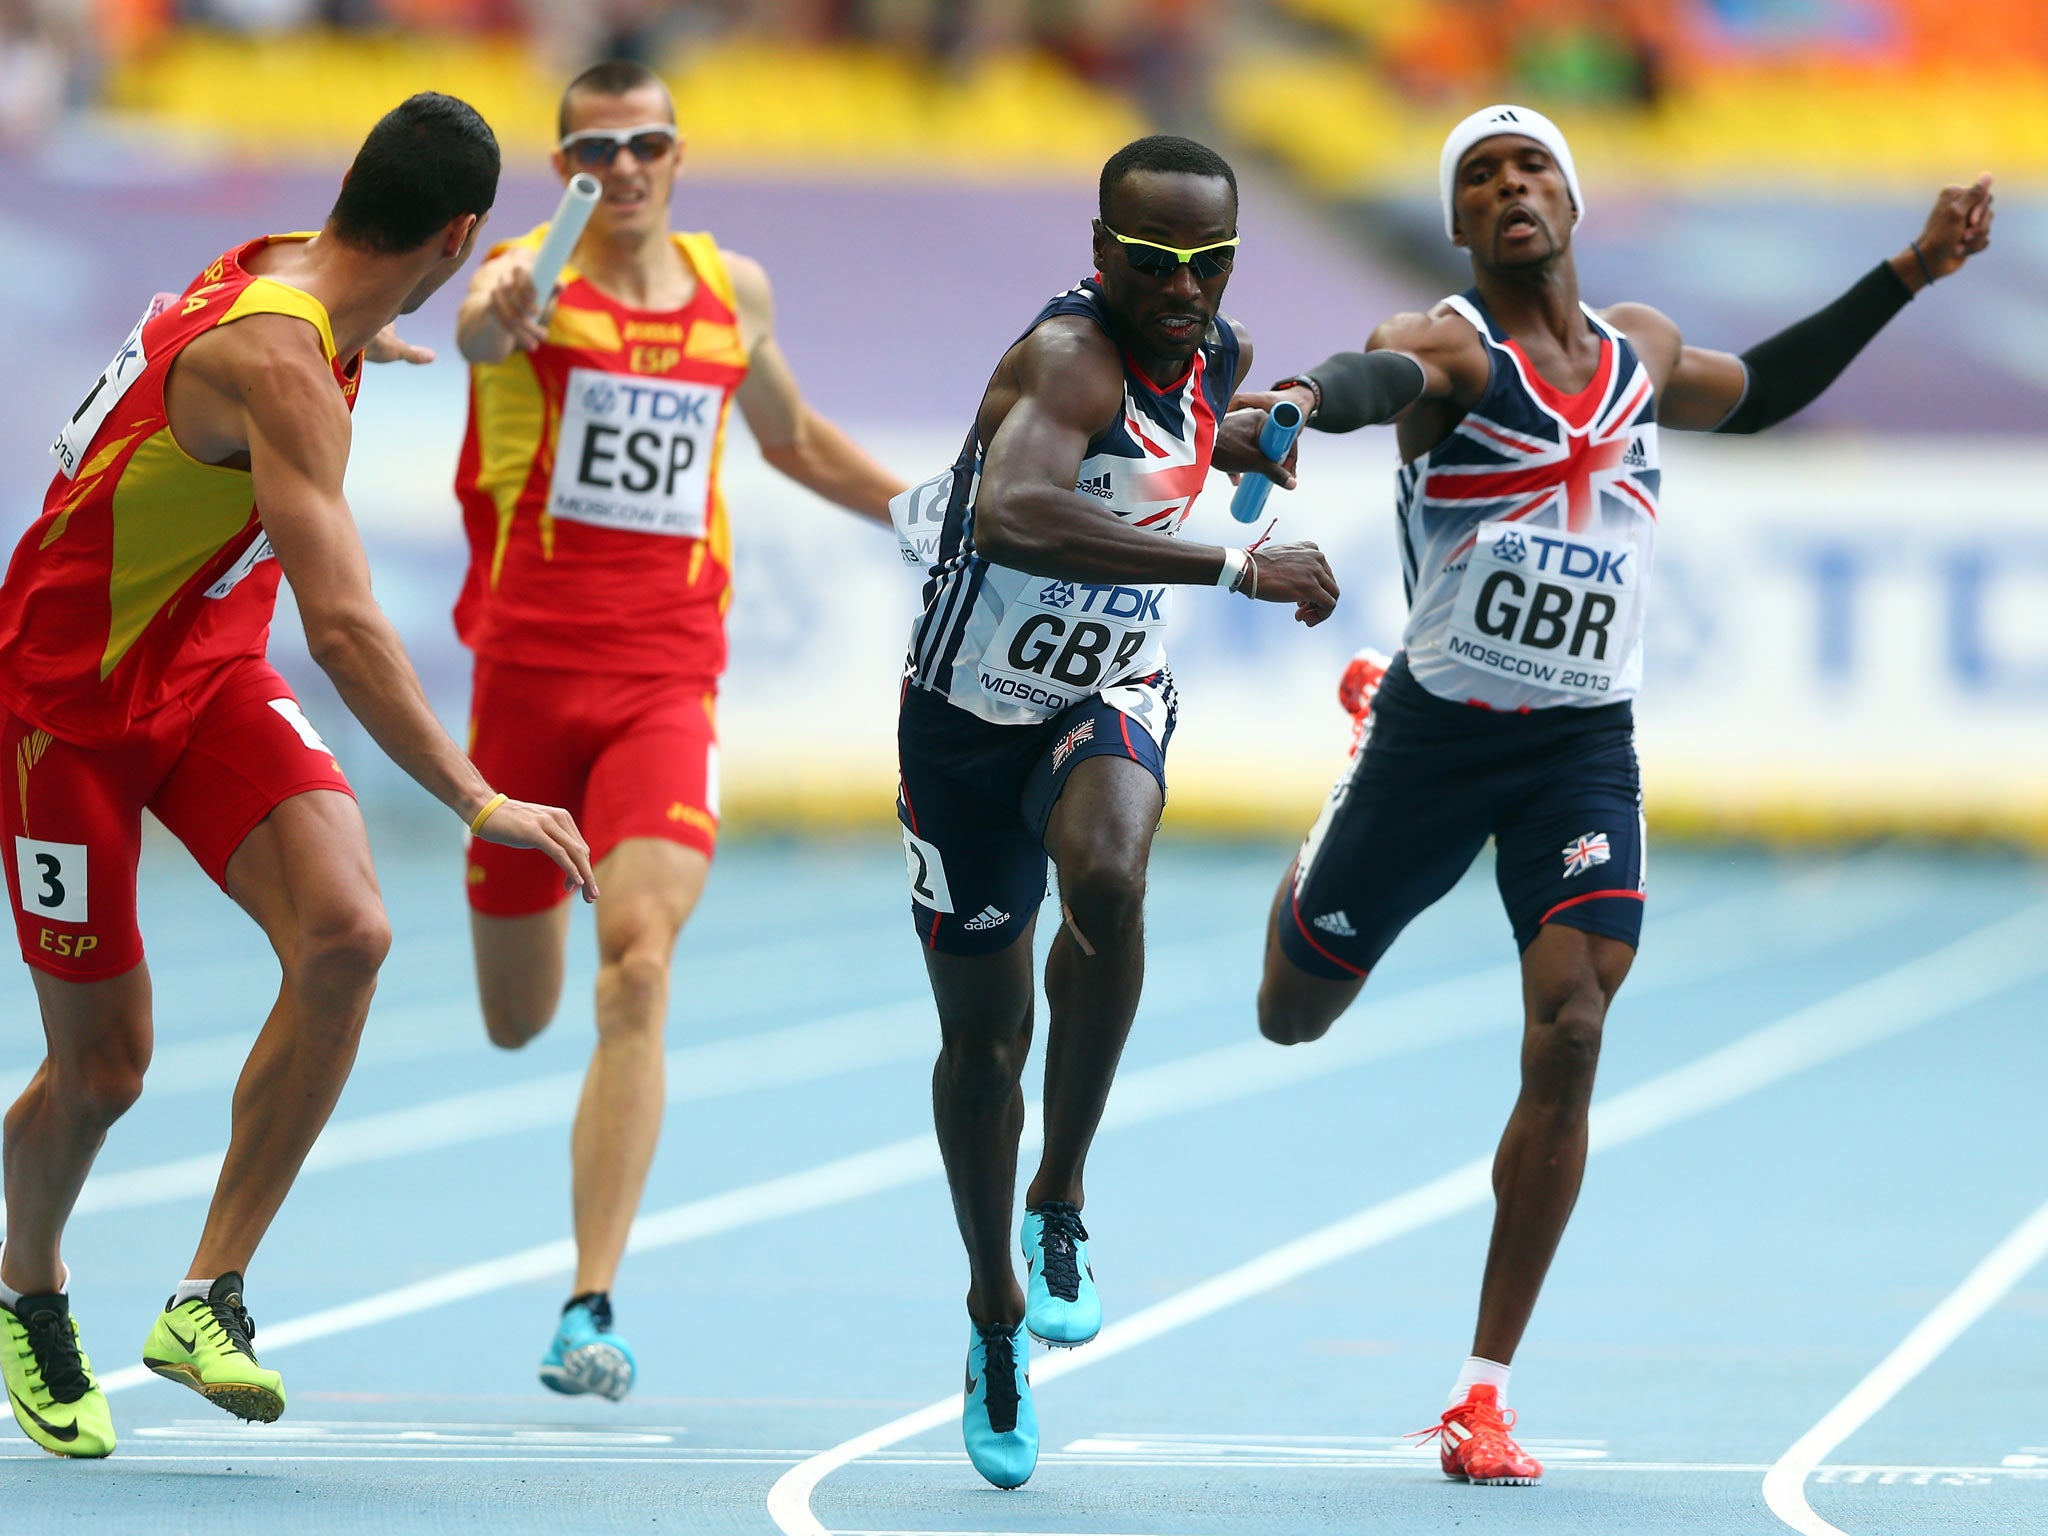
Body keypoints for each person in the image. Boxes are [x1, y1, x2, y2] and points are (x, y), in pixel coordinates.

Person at [1249, 103, 1994, 1486]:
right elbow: (1370, 379)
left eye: (1532, 166)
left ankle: (1482, 1395)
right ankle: (1348, 764)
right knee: (1290, 1015)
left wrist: (1907, 274)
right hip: (1434, 737)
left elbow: (1761, 393)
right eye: (1480, 176)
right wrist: (1295, 402)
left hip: (1579, 745)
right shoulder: (1452, 353)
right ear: (1463, 224)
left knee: (1575, 1026)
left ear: (1572, 205)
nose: (1510, 186)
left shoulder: (1642, 354)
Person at [0, 93, 598, 1459]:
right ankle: (25, 1287)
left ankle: (207, 1296)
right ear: (461, 236)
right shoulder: (277, 364)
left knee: (347, 935)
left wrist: (369, 330)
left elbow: (249, 304)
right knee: (103, 1070)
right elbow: (340, 629)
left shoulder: (285, 271)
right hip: (63, 708)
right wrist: (478, 797)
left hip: (201, 671)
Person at [449, 59, 905, 1402]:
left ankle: (587, 1303)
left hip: (665, 679)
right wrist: (498, 306)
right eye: (597, 150)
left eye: (647, 143)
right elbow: (480, 329)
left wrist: (930, 519)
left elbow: (794, 440)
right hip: (523, 686)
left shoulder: (732, 291)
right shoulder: (528, 279)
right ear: (565, 169)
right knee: (518, 1019)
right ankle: (578, 1246)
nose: (626, 168)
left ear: (678, 153)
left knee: (637, 969)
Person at [891, 133, 1340, 1489]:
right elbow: (1025, 508)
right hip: (965, 720)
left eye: (1210, 262)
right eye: (1157, 261)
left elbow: (1182, 429)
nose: (1186, 288)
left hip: (1108, 689)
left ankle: (1064, 1194)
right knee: (984, 1051)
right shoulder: (1068, 359)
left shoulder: (1210, 345)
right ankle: (991, 1316)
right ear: (1101, 253)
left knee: (1110, 882)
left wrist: (1241, 430)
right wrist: (1234, 559)